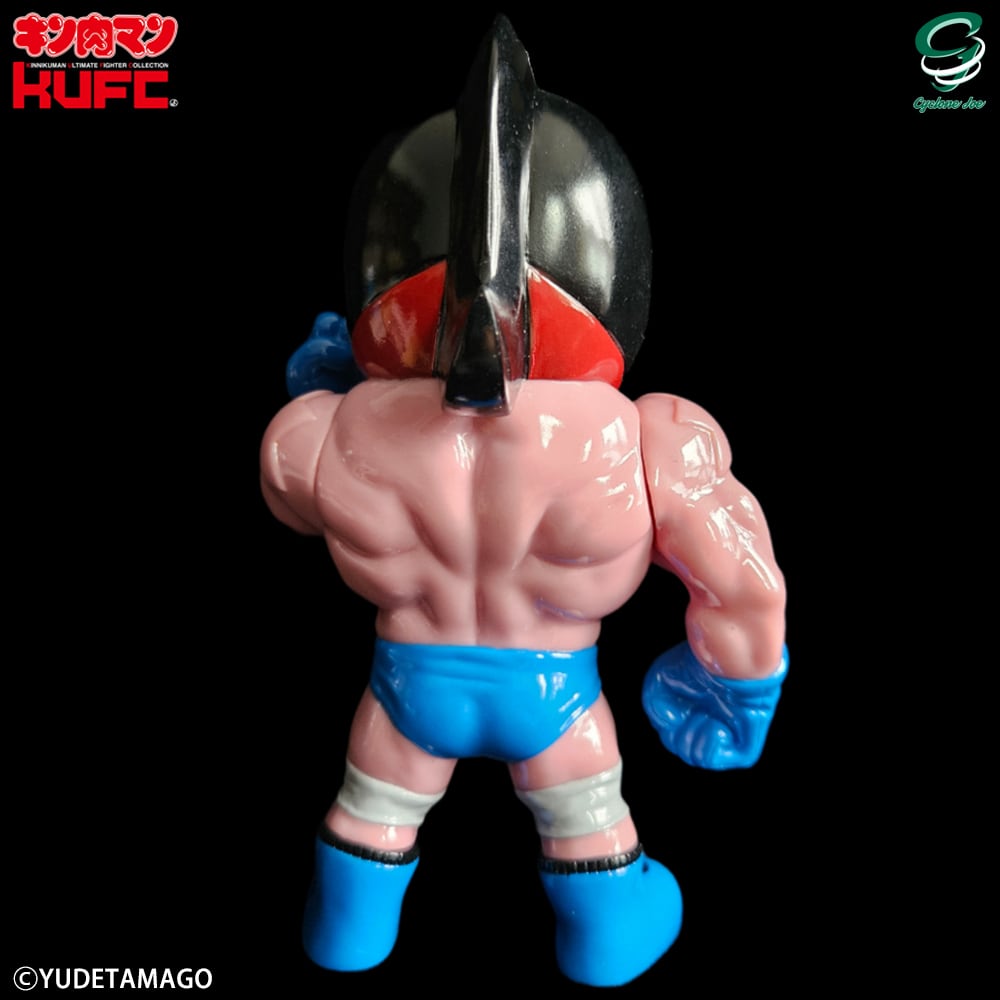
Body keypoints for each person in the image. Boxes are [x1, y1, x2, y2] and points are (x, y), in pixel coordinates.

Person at [261, 17, 787, 987]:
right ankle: (605, 939)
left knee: (369, 813)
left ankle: (347, 934)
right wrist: (737, 691)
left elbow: (294, 500)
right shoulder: (646, 439)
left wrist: (343, 383)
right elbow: (739, 577)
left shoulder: (322, 433)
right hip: (555, 694)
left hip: (405, 683)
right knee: (590, 830)